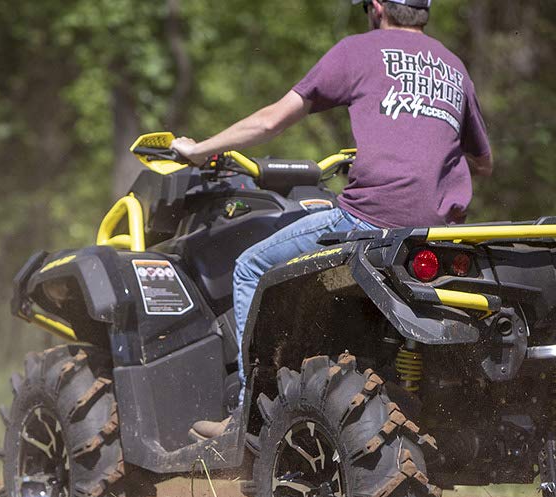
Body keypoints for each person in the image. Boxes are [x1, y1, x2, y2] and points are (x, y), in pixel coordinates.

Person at [173, 0, 492, 439]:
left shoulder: (359, 51)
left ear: (377, 7)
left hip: (367, 219)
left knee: (249, 267)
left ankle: (244, 413)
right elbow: (483, 161)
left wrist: (199, 149)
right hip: (436, 233)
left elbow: (270, 121)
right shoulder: (454, 67)